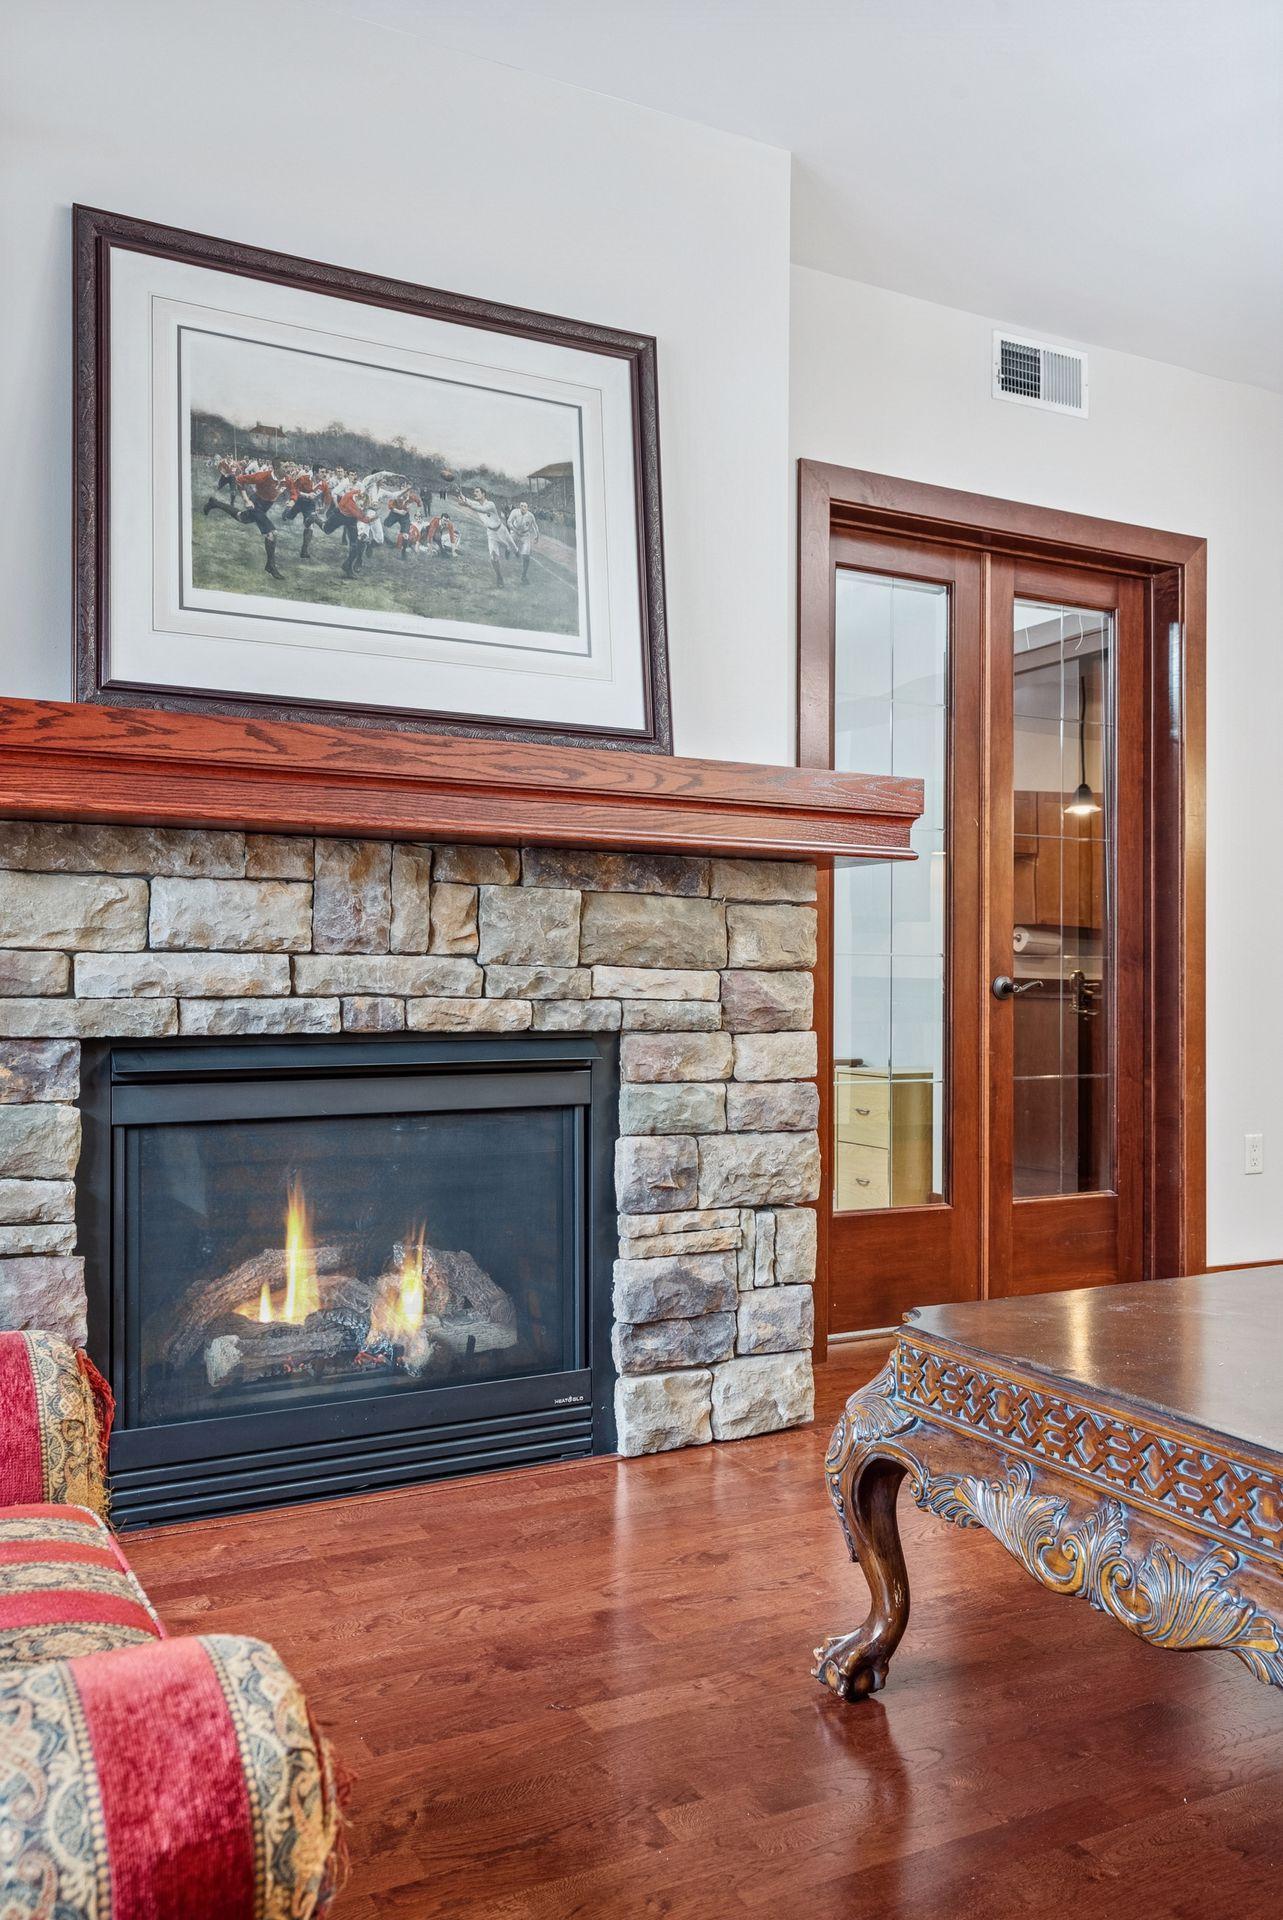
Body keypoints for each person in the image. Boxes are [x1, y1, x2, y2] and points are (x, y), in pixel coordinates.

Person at [203, 459, 285, 580]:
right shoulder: (263, 476)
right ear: (276, 467)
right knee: (272, 533)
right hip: (256, 504)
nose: (289, 469)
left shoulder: (286, 478)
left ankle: (214, 503)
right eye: (285, 466)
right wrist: (246, 500)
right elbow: (240, 479)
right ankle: (270, 566)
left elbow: (294, 491)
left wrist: (292, 500)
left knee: (242, 517)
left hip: (264, 507)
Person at [455, 485, 517, 586]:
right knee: (493, 557)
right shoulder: (476, 503)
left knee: (512, 546)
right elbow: (467, 500)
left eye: (477, 492)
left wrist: (467, 505)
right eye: (474, 492)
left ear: (483, 494)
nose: (474, 493)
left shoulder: (491, 504)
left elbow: (481, 509)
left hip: (501, 530)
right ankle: (499, 577)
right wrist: (459, 493)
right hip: (491, 533)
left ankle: (510, 549)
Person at [336, 482, 377, 578]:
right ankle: (349, 566)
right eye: (368, 487)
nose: (368, 489)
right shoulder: (354, 493)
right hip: (352, 520)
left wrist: (372, 507)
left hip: (361, 519)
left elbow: (369, 507)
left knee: (361, 540)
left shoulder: (369, 496)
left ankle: (356, 561)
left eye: (371, 488)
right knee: (356, 543)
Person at [280, 465, 320, 558]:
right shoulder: (304, 478)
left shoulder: (323, 483)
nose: (325, 475)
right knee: (288, 517)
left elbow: (324, 496)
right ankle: (286, 511)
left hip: (310, 505)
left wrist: (321, 507)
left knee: (310, 525)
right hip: (299, 502)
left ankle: (304, 551)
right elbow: (294, 490)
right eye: (322, 472)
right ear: (315, 473)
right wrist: (306, 495)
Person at [507, 500, 540, 585]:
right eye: (521, 506)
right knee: (510, 546)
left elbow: (535, 526)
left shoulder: (530, 516)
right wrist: (514, 530)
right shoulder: (514, 512)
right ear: (519, 506)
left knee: (526, 556)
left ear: (527, 508)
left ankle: (524, 576)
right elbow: (509, 522)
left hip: (525, 535)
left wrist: (537, 536)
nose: (523, 508)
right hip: (515, 533)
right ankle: (508, 550)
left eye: (525, 506)